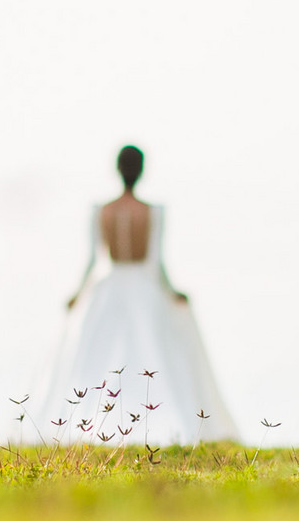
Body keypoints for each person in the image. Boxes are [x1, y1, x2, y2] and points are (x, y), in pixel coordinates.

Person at [35, 145, 237, 445]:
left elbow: (93, 262)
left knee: (98, 359)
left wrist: (79, 294)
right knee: (155, 357)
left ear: (117, 169)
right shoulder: (153, 212)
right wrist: (172, 293)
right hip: (144, 288)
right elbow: (157, 262)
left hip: (109, 288)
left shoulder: (102, 211)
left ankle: (96, 420)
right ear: (141, 170)